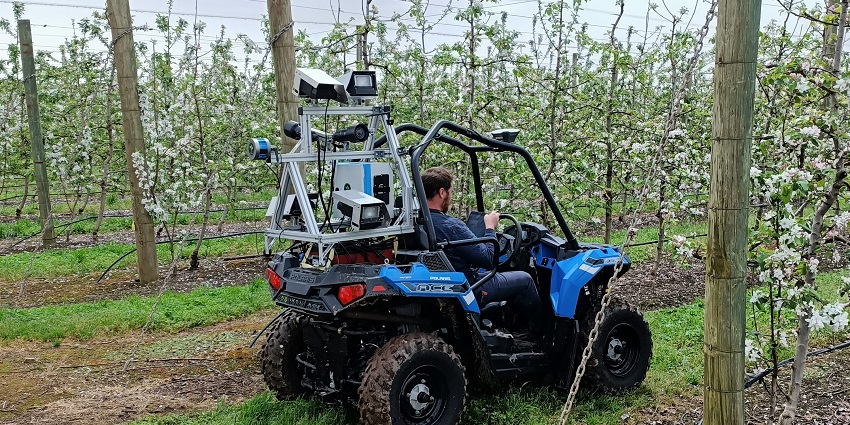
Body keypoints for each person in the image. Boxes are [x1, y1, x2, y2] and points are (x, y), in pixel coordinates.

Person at [421, 166, 543, 338]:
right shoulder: (451, 226)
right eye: (450, 191)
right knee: (526, 280)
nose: (451, 196)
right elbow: (487, 258)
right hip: (468, 287)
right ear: (442, 193)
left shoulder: (416, 222)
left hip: (441, 284)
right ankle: (539, 336)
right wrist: (490, 227)